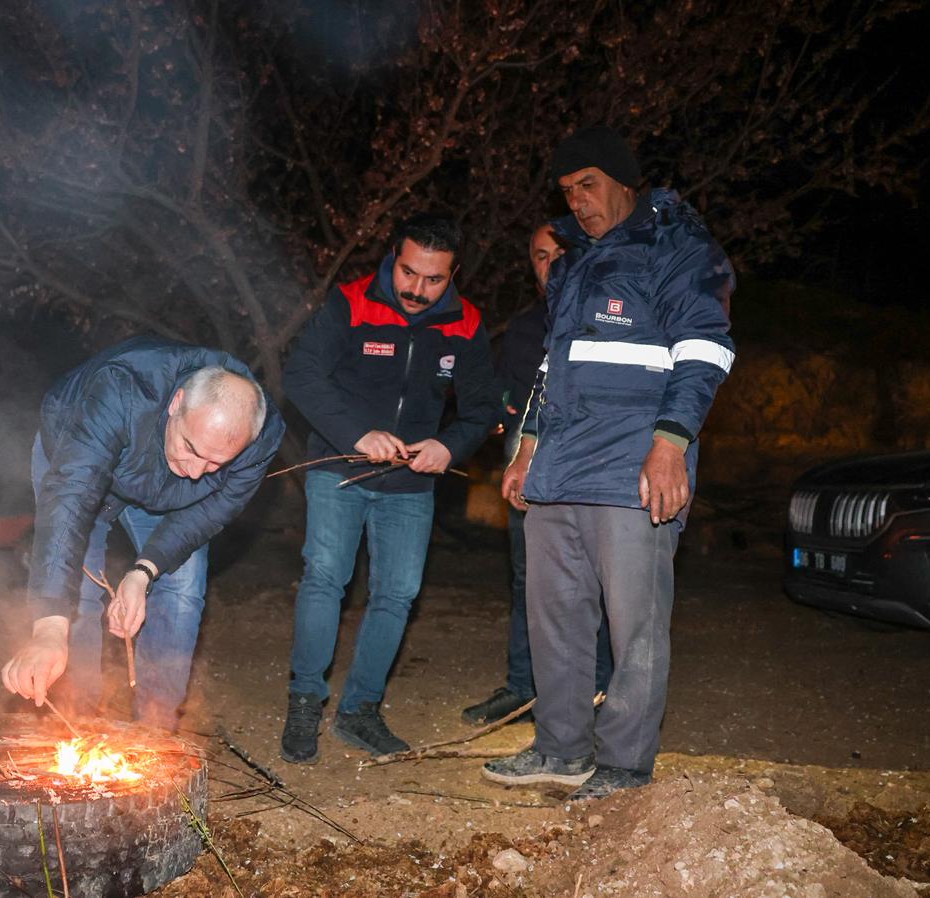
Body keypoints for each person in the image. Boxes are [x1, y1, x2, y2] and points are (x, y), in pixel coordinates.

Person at [481, 127, 735, 800]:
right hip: (560, 466)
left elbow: (705, 349)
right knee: (554, 619)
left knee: (635, 628)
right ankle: (560, 748)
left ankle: (624, 764)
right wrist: (527, 445)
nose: (579, 201)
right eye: (567, 190)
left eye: (588, 184)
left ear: (624, 181)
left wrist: (671, 444)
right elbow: (550, 364)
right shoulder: (572, 262)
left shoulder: (677, 248)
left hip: (633, 469)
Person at [279, 214, 498, 762]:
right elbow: (302, 375)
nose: (417, 290)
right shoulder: (350, 302)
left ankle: (359, 711)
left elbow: (482, 408)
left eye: (433, 280)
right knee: (326, 577)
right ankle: (305, 699)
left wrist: (450, 446)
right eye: (408, 272)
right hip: (340, 466)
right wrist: (356, 432)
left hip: (411, 483)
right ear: (392, 258)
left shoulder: (466, 324)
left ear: (453, 275)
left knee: (397, 593)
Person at [2, 336, 284, 730]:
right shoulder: (121, 390)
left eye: (215, 463)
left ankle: (155, 733)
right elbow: (71, 499)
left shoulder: (260, 436)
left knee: (182, 590)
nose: (196, 470)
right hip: (81, 459)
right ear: (175, 403)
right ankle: (75, 724)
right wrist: (48, 625)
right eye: (191, 447)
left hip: (166, 492)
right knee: (79, 596)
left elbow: (211, 510)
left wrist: (144, 571)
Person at [460, 224, 613, 727]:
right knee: (529, 577)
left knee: (596, 578)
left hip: (592, 459)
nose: (550, 265)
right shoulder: (528, 325)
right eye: (540, 256)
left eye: (560, 253)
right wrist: (501, 407)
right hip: (528, 456)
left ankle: (599, 691)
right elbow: (508, 388)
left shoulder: (610, 312)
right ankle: (522, 688)